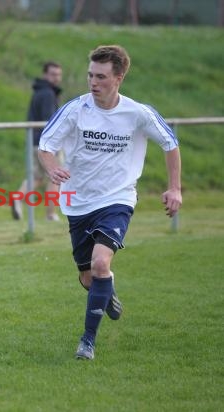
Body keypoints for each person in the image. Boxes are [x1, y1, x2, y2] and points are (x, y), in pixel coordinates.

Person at [38, 45, 182, 360]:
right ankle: (107, 289)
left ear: (118, 77)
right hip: (77, 202)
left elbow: (170, 143)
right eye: (90, 75)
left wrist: (174, 188)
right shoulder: (75, 109)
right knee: (89, 277)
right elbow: (45, 145)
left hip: (118, 198)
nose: (93, 82)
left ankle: (87, 341)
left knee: (101, 263)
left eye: (101, 76)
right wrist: (51, 168)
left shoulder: (138, 113)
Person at [12, 61, 63, 221]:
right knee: (56, 177)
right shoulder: (47, 93)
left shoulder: (39, 91)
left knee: (37, 177)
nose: (56, 78)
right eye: (53, 74)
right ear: (45, 75)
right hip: (48, 143)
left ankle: (17, 198)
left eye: (58, 74)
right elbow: (50, 121)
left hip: (35, 140)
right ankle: (51, 214)